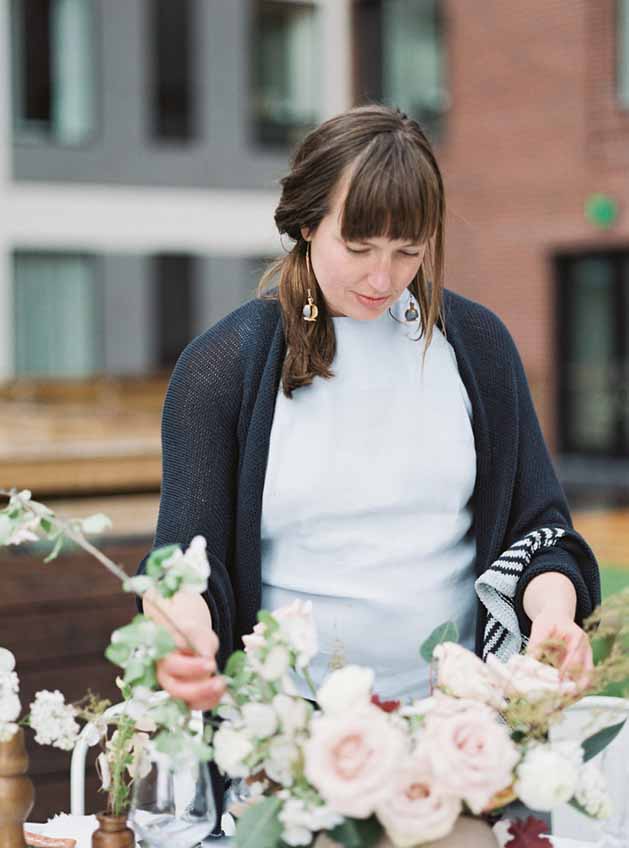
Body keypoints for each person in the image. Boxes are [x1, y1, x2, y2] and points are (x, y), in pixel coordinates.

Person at [139, 104, 600, 828]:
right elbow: (183, 564)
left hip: (453, 742)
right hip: (288, 750)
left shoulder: (475, 347)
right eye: (358, 246)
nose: (382, 277)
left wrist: (552, 613)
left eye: (407, 250)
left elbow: (538, 529)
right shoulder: (224, 366)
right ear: (303, 222)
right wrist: (184, 634)